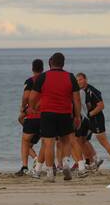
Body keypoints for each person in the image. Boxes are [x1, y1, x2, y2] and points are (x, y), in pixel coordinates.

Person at [29, 52, 88, 182]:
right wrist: (77, 116)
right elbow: (77, 99)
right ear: (63, 63)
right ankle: (79, 167)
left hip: (47, 113)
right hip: (65, 113)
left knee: (48, 143)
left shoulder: (43, 77)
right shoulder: (70, 77)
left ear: (51, 63)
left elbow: (32, 98)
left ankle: (50, 173)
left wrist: (35, 107)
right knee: (70, 139)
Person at [76, 73, 110, 173]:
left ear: (85, 80)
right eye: (77, 80)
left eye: (80, 79)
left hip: (97, 119)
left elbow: (101, 105)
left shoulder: (92, 91)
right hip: (87, 120)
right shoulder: (80, 92)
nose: (79, 82)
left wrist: (90, 114)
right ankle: (92, 161)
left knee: (103, 142)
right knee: (81, 140)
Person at [15, 59, 44, 176]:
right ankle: (49, 165)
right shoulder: (46, 79)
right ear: (42, 68)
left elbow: (26, 96)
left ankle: (25, 166)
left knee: (25, 141)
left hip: (32, 115)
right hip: (46, 115)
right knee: (47, 142)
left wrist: (23, 108)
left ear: (32, 69)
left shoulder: (30, 81)